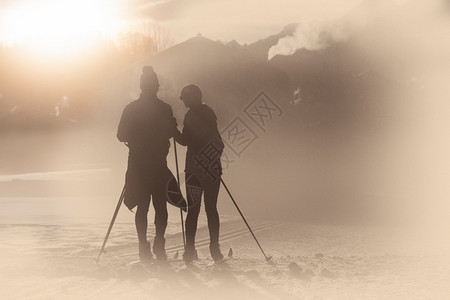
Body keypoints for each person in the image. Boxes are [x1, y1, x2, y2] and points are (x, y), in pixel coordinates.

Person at [117, 66, 177, 263]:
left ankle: (144, 247)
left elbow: (121, 136)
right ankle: (158, 245)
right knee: (160, 206)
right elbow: (170, 133)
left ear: (141, 86)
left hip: (138, 165)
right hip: (157, 164)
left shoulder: (131, 108)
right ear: (156, 87)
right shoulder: (165, 108)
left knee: (143, 206)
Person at [173, 84, 224, 263]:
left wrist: (172, 130)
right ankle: (214, 249)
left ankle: (189, 251)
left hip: (195, 171)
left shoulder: (192, 115)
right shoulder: (209, 113)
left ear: (194, 96)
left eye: (185, 97)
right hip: (211, 171)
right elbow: (216, 141)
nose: (184, 101)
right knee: (211, 209)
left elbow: (185, 141)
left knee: (193, 211)